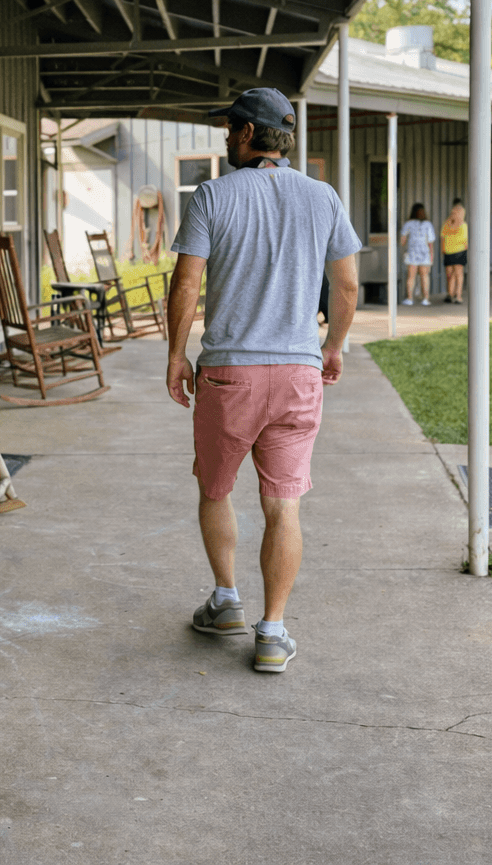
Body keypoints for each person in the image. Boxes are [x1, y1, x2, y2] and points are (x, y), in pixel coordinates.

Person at [166, 87, 361, 674]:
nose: (226, 137)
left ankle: (226, 601)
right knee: (284, 505)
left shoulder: (212, 196)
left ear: (249, 134)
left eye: (230, 128)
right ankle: (272, 634)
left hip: (230, 375)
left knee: (216, 489)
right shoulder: (323, 197)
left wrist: (176, 354)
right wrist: (332, 347)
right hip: (299, 374)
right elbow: (348, 288)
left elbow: (185, 286)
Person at [399, 202, 435, 306]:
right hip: (424, 253)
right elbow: (430, 243)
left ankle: (410, 298)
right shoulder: (428, 224)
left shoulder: (408, 224)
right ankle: (426, 299)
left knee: (411, 277)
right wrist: (431, 256)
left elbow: (402, 241)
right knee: (424, 276)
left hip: (412, 253)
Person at [440, 198, 467, 304]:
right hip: (449, 251)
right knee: (450, 274)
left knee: (458, 274)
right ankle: (450, 294)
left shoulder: (463, 225)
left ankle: (458, 295)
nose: (455, 214)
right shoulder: (446, 225)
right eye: (453, 213)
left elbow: (465, 240)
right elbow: (442, 236)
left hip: (459, 251)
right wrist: (443, 249)